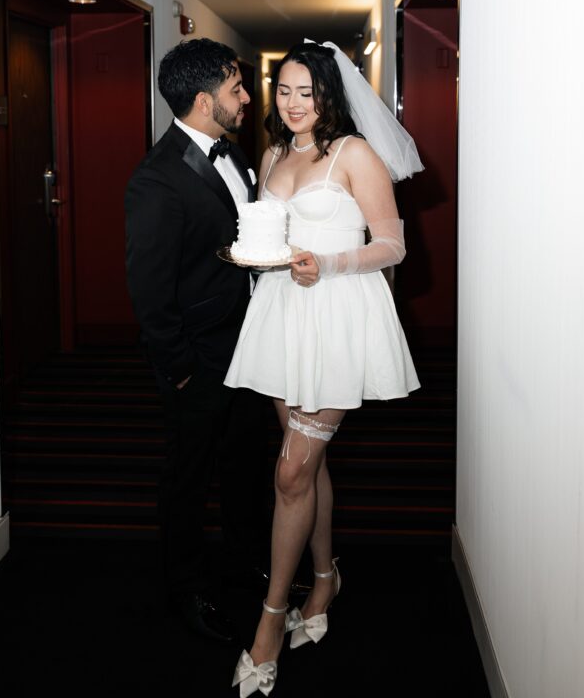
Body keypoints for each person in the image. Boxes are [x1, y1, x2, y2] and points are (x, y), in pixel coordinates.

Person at [224, 40, 423, 696]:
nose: (292, 102)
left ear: (329, 95)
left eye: (306, 91)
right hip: (283, 314)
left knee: (289, 472)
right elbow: (269, 232)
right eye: (283, 89)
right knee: (305, 464)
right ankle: (325, 573)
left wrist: (328, 263)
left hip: (337, 315)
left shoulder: (353, 153)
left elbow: (391, 244)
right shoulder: (275, 152)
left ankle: (270, 619)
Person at [125, 37, 268, 644]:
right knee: (188, 477)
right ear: (207, 100)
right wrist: (179, 367)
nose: (247, 97)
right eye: (237, 88)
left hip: (250, 344)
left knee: (244, 465)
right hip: (198, 359)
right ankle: (183, 587)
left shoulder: (232, 154)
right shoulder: (156, 180)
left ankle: (244, 563)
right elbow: (149, 288)